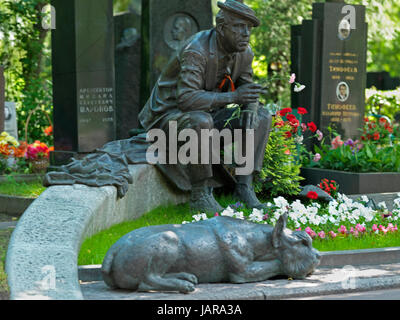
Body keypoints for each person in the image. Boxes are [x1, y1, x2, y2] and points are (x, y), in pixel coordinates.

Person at [138, 0, 272, 212]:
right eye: (239, 27)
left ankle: (244, 186)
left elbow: (248, 89)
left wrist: (250, 108)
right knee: (201, 120)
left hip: (207, 115)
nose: (246, 33)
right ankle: (200, 194)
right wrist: (234, 97)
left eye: (249, 28)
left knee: (262, 116)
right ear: (221, 28)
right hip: (168, 119)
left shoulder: (245, 53)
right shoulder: (196, 51)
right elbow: (187, 100)